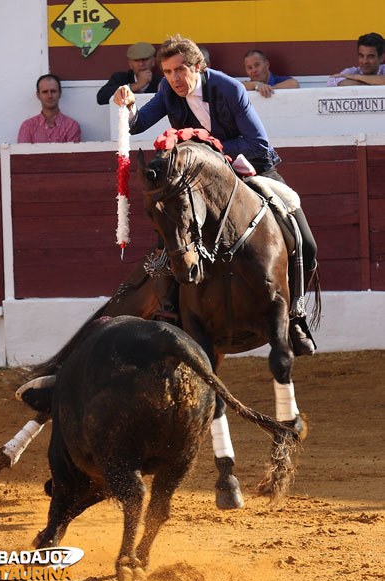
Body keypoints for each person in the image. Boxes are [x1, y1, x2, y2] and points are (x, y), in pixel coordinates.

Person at [113, 34, 317, 356]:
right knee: (171, 236)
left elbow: (258, 144)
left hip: (251, 169)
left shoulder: (228, 88)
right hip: (202, 183)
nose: (174, 79)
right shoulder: (168, 90)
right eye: (167, 72)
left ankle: (296, 317)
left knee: (305, 240)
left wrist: (207, 155)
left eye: (180, 70)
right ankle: (171, 309)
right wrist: (128, 104)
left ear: (199, 66)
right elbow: (137, 125)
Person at [17, 74, 81, 143]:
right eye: (45, 92)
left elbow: (73, 154)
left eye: (53, 91)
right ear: (38, 95)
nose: (49, 96)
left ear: (60, 93)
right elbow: (23, 153)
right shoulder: (28, 126)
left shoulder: (71, 126)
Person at [96, 42, 161, 105]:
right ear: (130, 64)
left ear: (153, 62)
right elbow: (101, 98)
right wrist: (137, 85)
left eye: (145, 59)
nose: (141, 64)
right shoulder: (120, 78)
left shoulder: (160, 82)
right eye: (136, 60)